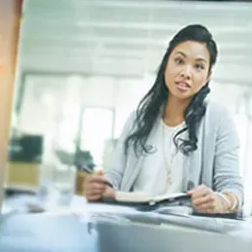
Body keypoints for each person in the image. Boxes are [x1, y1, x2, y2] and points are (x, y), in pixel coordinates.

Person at [82, 24, 243, 214]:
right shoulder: (138, 120)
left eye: (198, 66)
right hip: (132, 228)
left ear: (207, 77)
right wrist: (99, 189)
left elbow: (234, 190)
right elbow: (114, 178)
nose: (186, 73)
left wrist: (220, 201)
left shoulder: (218, 119)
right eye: (179, 61)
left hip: (187, 236)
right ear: (166, 64)